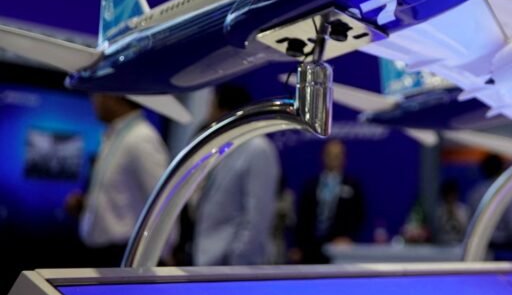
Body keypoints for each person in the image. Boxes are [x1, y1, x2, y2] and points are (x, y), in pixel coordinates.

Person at [65, 94, 170, 267]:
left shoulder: (142, 138)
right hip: (104, 253)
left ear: (114, 97)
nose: (94, 100)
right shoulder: (116, 135)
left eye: (98, 94)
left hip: (122, 255)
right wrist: (86, 204)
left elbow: (164, 201)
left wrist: (162, 255)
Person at [192, 85, 281, 266]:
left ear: (224, 111)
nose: (209, 115)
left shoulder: (258, 149)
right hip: (207, 259)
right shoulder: (222, 148)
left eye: (212, 106)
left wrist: (238, 261)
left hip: (231, 264)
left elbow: (257, 216)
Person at [294, 139, 365, 263]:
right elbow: (302, 216)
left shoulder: (353, 186)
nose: (333, 159)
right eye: (330, 155)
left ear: (343, 158)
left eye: (337, 155)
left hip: (339, 248)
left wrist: (349, 237)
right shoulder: (311, 185)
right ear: (323, 156)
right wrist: (297, 246)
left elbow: (359, 216)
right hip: (310, 249)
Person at [467, 154, 512, 256]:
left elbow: (470, 223)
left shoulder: (475, 193)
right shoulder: (507, 190)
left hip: (481, 247)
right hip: (504, 246)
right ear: (501, 169)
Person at [435, 179, 470, 245]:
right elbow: (436, 230)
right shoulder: (439, 211)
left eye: (452, 194)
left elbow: (465, 229)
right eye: (447, 195)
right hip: (442, 245)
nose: (450, 198)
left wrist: (454, 214)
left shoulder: (463, 210)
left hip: (459, 244)